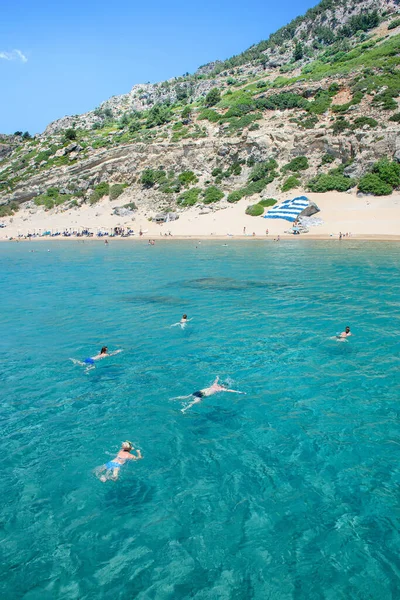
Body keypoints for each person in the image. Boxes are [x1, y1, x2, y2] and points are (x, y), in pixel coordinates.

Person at [173, 376, 245, 413]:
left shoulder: (215, 385)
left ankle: (174, 398)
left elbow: (215, 380)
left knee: (186, 396)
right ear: (224, 386)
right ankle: (183, 409)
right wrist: (240, 392)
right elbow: (231, 391)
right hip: (202, 395)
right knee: (193, 403)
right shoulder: (221, 389)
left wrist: (217, 378)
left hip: (198, 391)